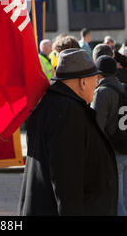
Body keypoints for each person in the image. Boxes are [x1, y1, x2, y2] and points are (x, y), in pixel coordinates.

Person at [18, 48, 118, 216]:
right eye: (95, 78)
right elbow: (67, 182)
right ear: (82, 82)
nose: (97, 84)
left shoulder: (52, 103)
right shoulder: (68, 111)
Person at [91, 55, 127, 216]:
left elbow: (96, 126)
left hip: (113, 151)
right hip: (126, 146)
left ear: (99, 74)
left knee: (117, 199)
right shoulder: (125, 88)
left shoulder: (102, 92)